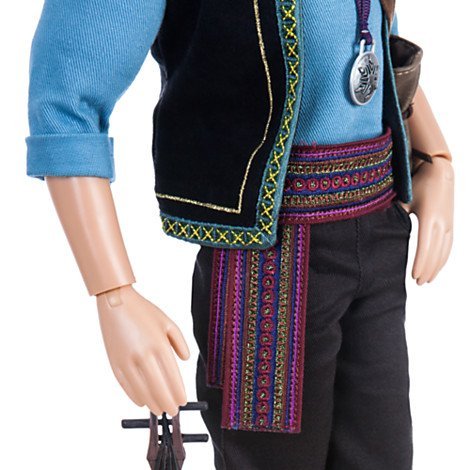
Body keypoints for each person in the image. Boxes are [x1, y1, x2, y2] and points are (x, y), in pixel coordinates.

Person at [25, 0, 454, 468]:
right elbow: (66, 100)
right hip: (268, 265)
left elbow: (368, 39)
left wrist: (435, 159)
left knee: (384, 453)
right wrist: (113, 294)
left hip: (380, 227)